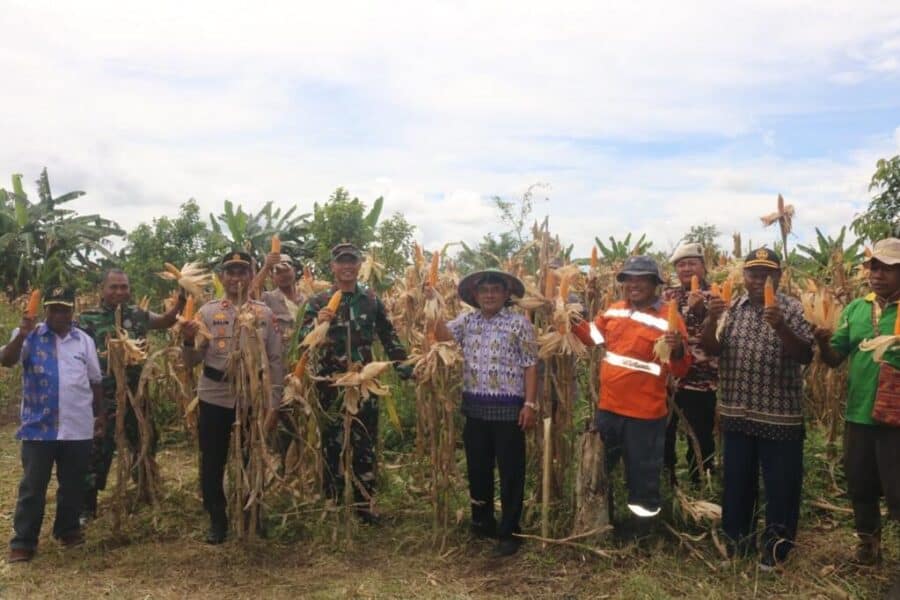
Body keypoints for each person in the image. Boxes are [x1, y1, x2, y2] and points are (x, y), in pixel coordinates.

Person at [702, 247, 813, 570]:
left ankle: (776, 550)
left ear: (778, 276)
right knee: (737, 483)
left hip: (780, 416)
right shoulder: (732, 308)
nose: (758, 279)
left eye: (766, 273)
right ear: (744, 276)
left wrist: (780, 326)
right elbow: (712, 349)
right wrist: (710, 319)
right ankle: (737, 544)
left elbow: (805, 355)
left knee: (781, 486)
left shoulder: (791, 309)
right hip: (736, 413)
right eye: (753, 273)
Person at [572, 255, 690, 538]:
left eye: (642, 280)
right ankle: (603, 521)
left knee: (643, 474)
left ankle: (643, 531)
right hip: (609, 409)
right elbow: (592, 337)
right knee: (601, 469)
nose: (634, 285)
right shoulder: (614, 311)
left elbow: (681, 368)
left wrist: (676, 349)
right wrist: (570, 318)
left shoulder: (668, 319)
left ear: (654, 284)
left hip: (645, 414)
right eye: (629, 279)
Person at [297, 242, 410, 524]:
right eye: (341, 261)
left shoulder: (371, 299)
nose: (347, 266)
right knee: (332, 444)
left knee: (365, 443)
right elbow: (302, 343)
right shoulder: (317, 301)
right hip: (330, 384)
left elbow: (389, 336)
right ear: (333, 267)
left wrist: (407, 370)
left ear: (359, 265)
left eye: (352, 261)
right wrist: (316, 326)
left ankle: (364, 503)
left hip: (363, 383)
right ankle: (333, 502)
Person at [432, 268, 538, 557]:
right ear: (475, 296)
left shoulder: (519, 325)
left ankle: (510, 531)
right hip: (475, 410)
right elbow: (442, 339)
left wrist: (529, 404)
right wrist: (431, 309)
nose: (489, 294)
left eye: (495, 289)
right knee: (478, 470)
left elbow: (530, 364)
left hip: (509, 410)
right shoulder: (466, 321)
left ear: (506, 295)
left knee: (511, 472)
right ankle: (482, 523)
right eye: (484, 290)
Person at [181, 251, 284, 544]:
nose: (237, 277)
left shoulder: (265, 314)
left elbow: (276, 361)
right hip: (215, 398)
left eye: (242, 271)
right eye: (231, 272)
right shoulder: (207, 314)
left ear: (251, 275)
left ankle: (253, 514)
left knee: (254, 459)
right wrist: (188, 339)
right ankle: (217, 520)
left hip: (253, 398)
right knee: (212, 462)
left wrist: (274, 403)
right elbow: (190, 362)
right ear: (222, 277)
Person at [813, 237, 900, 569]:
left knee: (897, 492)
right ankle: (869, 548)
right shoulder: (856, 309)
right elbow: (836, 359)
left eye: (888, 269)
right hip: (860, 414)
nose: (877, 275)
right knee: (861, 486)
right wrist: (823, 343)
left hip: (896, 420)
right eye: (874, 267)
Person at [1, 286, 103, 563]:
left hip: (77, 424)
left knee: (72, 484)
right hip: (39, 425)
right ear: (45, 309)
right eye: (54, 308)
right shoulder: (28, 337)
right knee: (33, 486)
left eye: (65, 309)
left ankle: (67, 530)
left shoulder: (83, 341)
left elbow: (95, 381)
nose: (59, 314)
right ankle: (23, 542)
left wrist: (99, 416)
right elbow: (7, 360)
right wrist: (21, 334)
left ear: (73, 310)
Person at [78, 268, 186, 522]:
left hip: (137, 395)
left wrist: (182, 298)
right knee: (97, 449)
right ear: (102, 290)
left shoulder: (137, 315)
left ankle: (145, 489)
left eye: (124, 287)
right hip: (102, 398)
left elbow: (166, 321)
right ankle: (86, 505)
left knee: (145, 441)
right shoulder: (87, 319)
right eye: (113, 287)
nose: (119, 292)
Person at [662, 243, 719, 487]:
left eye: (692, 263)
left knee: (701, 434)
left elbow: (721, 336)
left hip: (703, 379)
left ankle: (701, 481)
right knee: (665, 433)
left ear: (703, 267)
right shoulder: (666, 296)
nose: (686, 268)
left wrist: (702, 311)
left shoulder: (717, 296)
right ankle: (668, 480)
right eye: (681, 264)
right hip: (669, 380)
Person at [253, 251, 305, 461]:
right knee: (277, 415)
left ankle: (300, 461)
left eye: (287, 269)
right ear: (272, 278)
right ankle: (274, 459)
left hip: (303, 369)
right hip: (278, 370)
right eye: (277, 272)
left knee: (301, 415)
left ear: (294, 271)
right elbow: (249, 294)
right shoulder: (267, 299)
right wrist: (266, 266)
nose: (283, 274)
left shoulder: (307, 299)